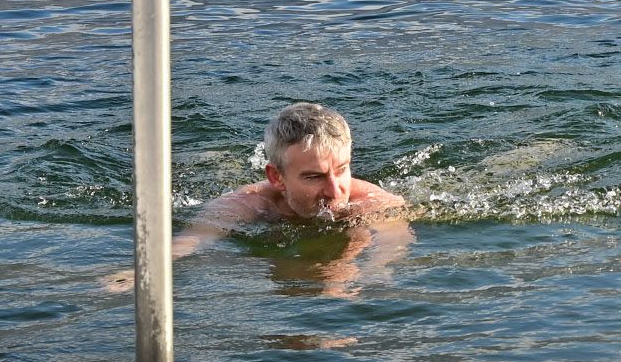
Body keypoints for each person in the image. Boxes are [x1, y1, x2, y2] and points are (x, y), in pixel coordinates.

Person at [105, 103, 409, 296]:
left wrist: (374, 272)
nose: (334, 191)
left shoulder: (371, 200)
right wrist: (140, 272)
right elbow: (192, 240)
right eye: (313, 177)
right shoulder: (248, 203)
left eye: (341, 171)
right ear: (276, 177)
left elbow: (393, 240)